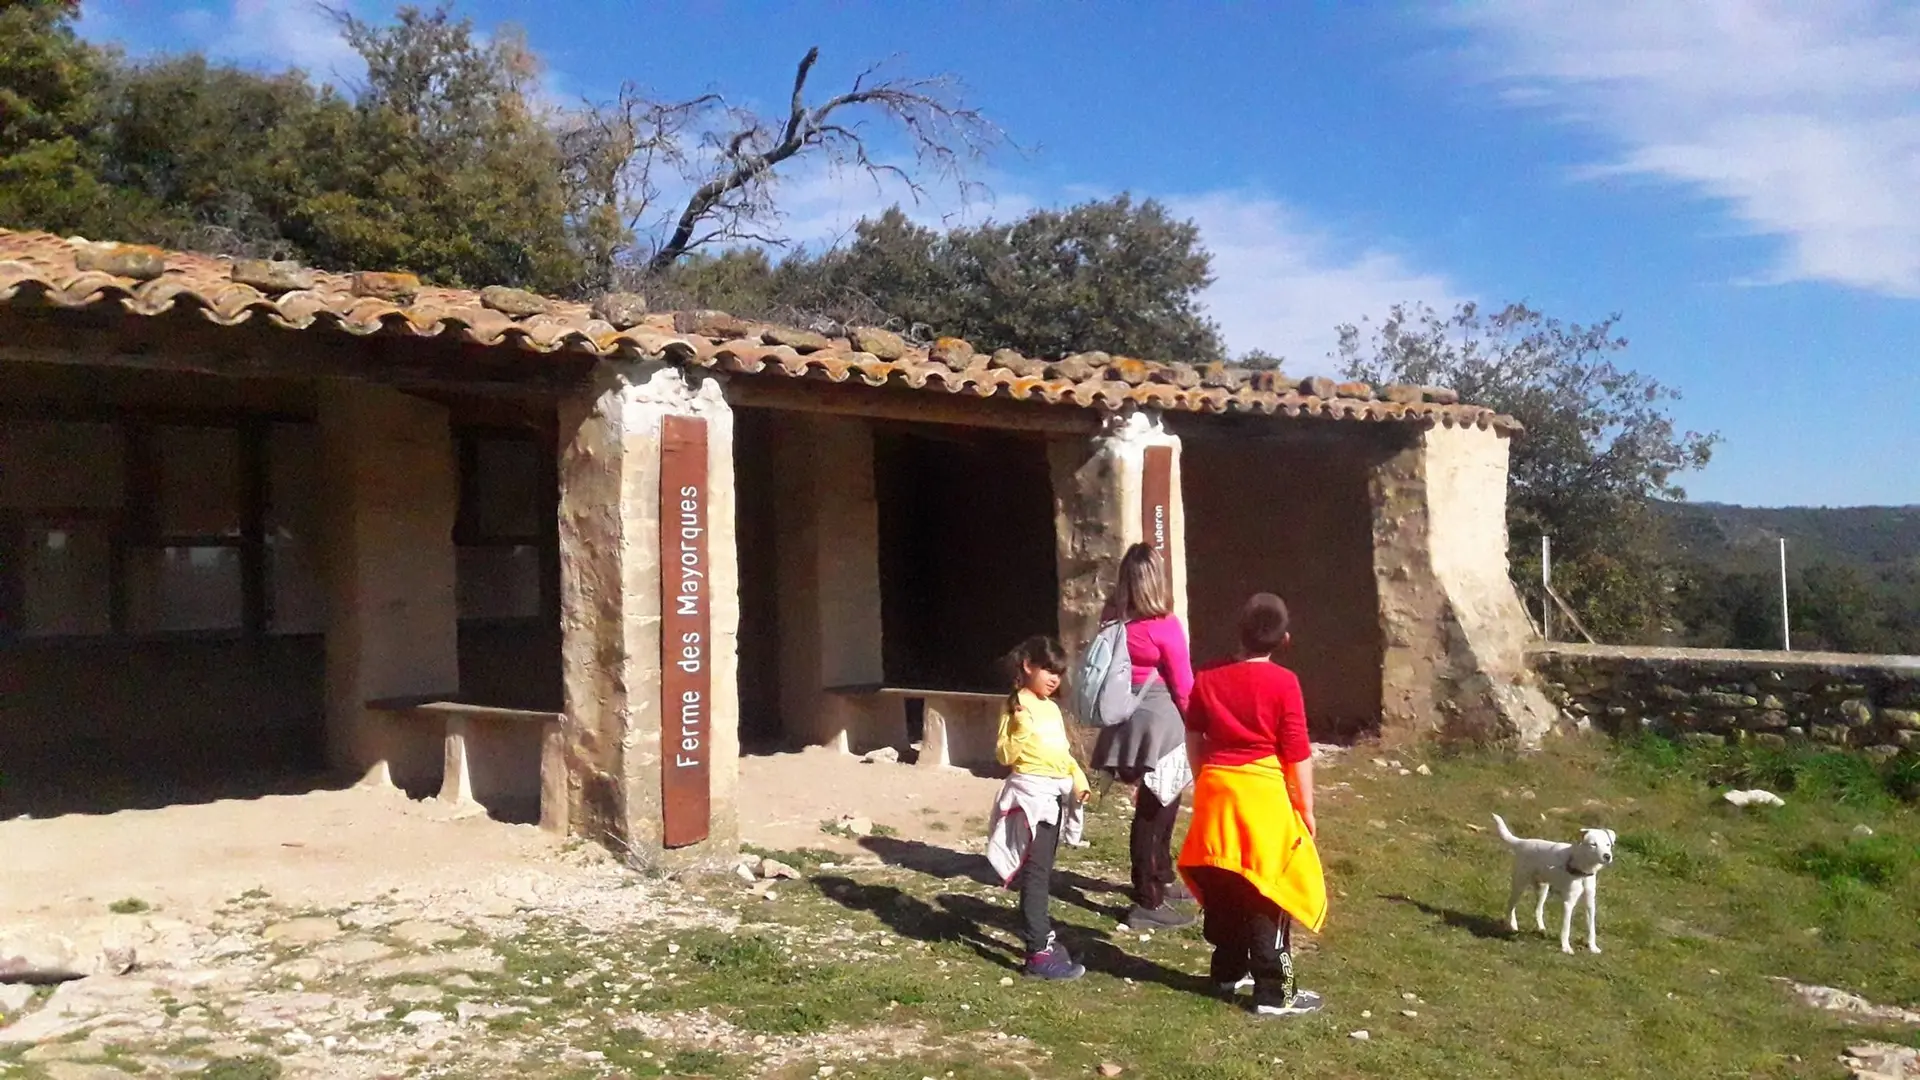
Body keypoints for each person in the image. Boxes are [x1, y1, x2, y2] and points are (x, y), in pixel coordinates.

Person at [1177, 593, 1327, 1016]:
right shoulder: (1284, 683)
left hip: (1217, 790)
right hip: (1261, 794)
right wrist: (1306, 808)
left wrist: (1204, 775)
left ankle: (1226, 971)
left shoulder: (1207, 674)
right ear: (1285, 640)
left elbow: (1194, 735)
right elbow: (1296, 752)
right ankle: (1275, 991)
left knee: (1224, 879)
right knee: (1269, 889)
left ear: (1239, 632)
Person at [1089, 543, 1197, 931]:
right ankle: (1148, 898)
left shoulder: (1111, 620)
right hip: (1163, 727)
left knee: (1153, 808)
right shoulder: (1164, 625)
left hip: (1126, 724)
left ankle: (1161, 877)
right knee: (1156, 812)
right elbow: (1184, 686)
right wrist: (1200, 727)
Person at [985, 635, 1091, 980]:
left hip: (1053, 796)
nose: (1053, 679)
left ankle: (1042, 939)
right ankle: (1038, 953)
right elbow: (1005, 755)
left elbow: (1061, 754)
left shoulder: (1051, 708)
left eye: (1058, 673)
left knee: (1043, 873)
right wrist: (1018, 727)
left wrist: (1078, 780)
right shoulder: (1016, 705)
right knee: (1035, 876)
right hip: (1030, 797)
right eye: (1047, 670)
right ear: (1029, 666)